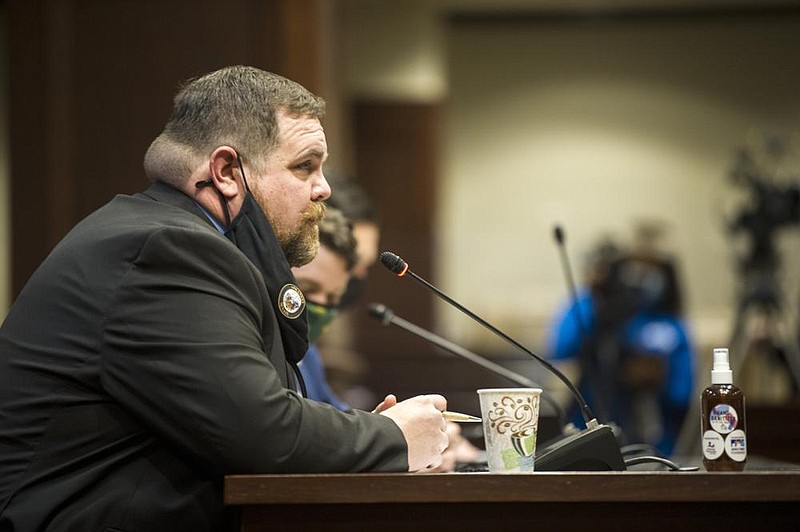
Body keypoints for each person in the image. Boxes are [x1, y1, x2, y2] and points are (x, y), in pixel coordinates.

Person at [0, 66, 449, 531]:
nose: (324, 188)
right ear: (227, 172)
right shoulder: (169, 250)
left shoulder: (177, 241)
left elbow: (250, 412)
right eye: (304, 166)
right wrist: (392, 437)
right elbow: (261, 434)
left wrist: (358, 436)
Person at [547, 234, 695, 457]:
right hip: (589, 430)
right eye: (633, 268)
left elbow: (683, 394)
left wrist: (652, 379)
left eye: (651, 270)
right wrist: (596, 298)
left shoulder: (667, 324)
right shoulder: (593, 307)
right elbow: (560, 348)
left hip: (652, 438)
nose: (640, 277)